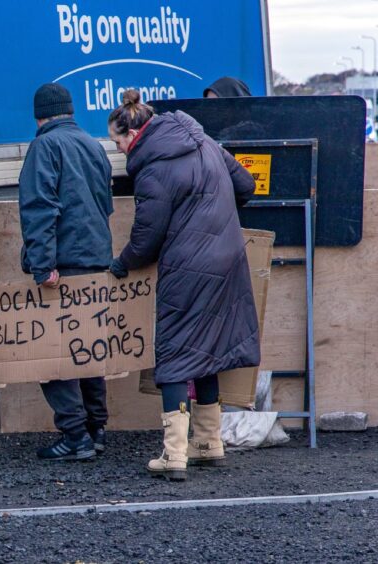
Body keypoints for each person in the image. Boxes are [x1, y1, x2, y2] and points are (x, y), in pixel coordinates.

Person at [107, 90, 259, 481]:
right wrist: (214, 216)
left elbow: (148, 235)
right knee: (206, 348)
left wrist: (122, 264)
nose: (119, 149)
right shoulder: (203, 140)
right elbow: (245, 185)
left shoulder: (153, 168)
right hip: (228, 259)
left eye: (118, 141)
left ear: (134, 133)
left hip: (189, 266)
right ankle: (208, 443)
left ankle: (174, 454)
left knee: (174, 351)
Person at [18, 83, 114, 461]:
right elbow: (105, 205)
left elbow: (40, 208)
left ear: (39, 116)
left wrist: (43, 267)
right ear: (70, 111)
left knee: (55, 352)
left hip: (65, 265)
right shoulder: (94, 145)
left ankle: (75, 436)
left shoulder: (45, 146)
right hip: (96, 261)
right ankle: (96, 428)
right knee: (89, 346)